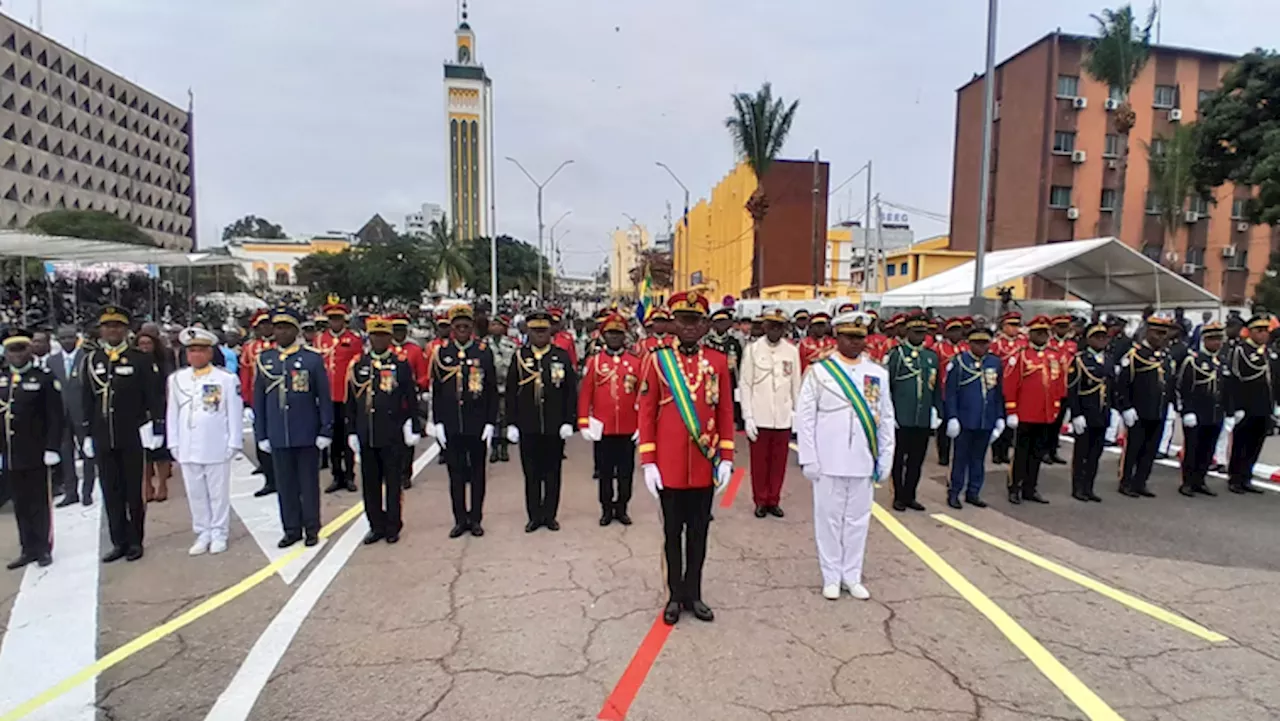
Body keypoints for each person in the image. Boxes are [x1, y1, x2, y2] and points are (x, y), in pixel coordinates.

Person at [638, 290, 734, 625]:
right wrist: (648, 460)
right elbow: (647, 413)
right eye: (683, 320)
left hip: (704, 465)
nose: (689, 327)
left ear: (706, 325)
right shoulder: (657, 360)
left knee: (699, 534)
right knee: (671, 534)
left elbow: (724, 412)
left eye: (695, 321)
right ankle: (674, 595)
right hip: (670, 466)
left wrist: (726, 457)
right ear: (673, 323)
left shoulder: (718, 362)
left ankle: (695, 593)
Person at [795, 311, 894, 600]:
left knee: (858, 521)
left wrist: (885, 456)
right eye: (849, 337)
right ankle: (831, 575)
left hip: (863, 459)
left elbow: (885, 418)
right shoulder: (820, 371)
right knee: (828, 519)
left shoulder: (877, 374)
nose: (855, 343)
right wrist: (809, 456)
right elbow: (806, 417)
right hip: (828, 458)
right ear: (837, 337)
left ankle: (852, 575)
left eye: (860, 338)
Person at [81, 305, 166, 563]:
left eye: (117, 326)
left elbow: (154, 395)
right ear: (101, 330)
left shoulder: (140, 359)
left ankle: (135, 541)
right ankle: (118, 541)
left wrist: (157, 426)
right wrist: (86, 433)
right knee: (110, 490)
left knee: (133, 491)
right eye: (107, 326)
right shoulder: (91, 360)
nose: (112, 330)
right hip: (103, 435)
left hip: (131, 433)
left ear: (126, 330)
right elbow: (87, 399)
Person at [253, 307, 333, 548]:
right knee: (285, 485)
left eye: (286, 328)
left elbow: (323, 397)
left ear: (296, 330)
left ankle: (311, 527)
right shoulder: (265, 359)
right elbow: (260, 399)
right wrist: (261, 433)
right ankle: (291, 529)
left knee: (308, 485)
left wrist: (325, 429)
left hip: (306, 431)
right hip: (278, 433)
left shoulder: (311, 358)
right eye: (278, 328)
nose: (281, 332)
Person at [166, 327, 242, 556]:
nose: (195, 355)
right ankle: (203, 532)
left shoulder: (225, 379)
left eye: (200, 350)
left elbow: (234, 411)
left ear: (210, 353)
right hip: (188, 445)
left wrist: (234, 442)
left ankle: (219, 532)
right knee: (195, 492)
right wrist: (173, 443)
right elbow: (173, 412)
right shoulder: (177, 379)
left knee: (218, 493)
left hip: (216, 443)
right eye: (191, 351)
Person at [347, 316, 421, 545]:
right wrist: (351, 431)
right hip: (367, 432)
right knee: (370, 484)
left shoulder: (400, 364)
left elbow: (410, 396)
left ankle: (392, 525)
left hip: (391, 432)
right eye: (375, 336)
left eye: (383, 336)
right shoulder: (358, 364)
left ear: (390, 338)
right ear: (369, 337)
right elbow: (351, 401)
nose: (379, 340)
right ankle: (375, 525)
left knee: (392, 482)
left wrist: (413, 424)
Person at [507, 309, 577, 532]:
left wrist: (569, 421)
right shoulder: (519, 356)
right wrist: (511, 423)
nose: (539, 335)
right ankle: (534, 515)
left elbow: (570, 392)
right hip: (528, 425)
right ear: (528, 331)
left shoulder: (561, 356)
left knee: (553, 473)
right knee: (531, 474)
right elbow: (510, 392)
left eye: (543, 331)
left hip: (554, 425)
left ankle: (550, 515)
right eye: (535, 331)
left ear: (551, 332)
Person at [431, 304, 498, 538]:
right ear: (451, 327)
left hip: (477, 423)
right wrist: (437, 421)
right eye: (457, 326)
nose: (461, 329)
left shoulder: (483, 351)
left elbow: (491, 390)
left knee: (478, 474)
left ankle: (476, 518)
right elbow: (437, 390)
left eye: (465, 326)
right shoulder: (441, 353)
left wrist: (491, 422)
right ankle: (460, 519)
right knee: (455, 474)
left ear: (472, 327)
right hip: (451, 424)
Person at [1, 327, 63, 569]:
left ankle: (43, 547)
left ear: (30, 350)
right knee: (20, 502)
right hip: (11, 452)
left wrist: (52, 447)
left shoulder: (44, 378)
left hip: (37, 451)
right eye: (11, 350)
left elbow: (56, 417)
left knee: (39, 501)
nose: (16, 354)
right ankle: (27, 547)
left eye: (21, 349)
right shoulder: (3, 379)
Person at [577, 311, 640, 526]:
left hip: (628, 426)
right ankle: (606, 508)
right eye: (610, 333)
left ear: (625, 336)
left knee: (626, 472)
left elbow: (643, 396)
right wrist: (584, 421)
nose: (614, 337)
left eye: (618, 333)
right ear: (603, 335)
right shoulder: (595, 362)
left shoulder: (635, 362)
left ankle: (622, 507)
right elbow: (586, 393)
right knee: (604, 472)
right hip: (602, 428)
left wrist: (642, 425)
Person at [739, 307, 801, 518]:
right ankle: (760, 500)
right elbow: (745, 384)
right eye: (771, 326)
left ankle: (774, 499)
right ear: (764, 326)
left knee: (778, 462)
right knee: (759, 463)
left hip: (783, 416)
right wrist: (747, 417)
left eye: (779, 327)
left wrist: (797, 412)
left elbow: (796, 384)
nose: (775, 330)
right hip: (760, 415)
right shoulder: (753, 350)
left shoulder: (791, 351)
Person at [1003, 315, 1066, 505]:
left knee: (1037, 453)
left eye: (1045, 333)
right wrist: (1011, 410)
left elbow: (1058, 384)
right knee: (1021, 453)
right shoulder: (1021, 355)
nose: (1042, 336)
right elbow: (1010, 384)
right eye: (1038, 333)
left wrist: (1056, 407)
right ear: (1030, 334)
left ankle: (1031, 488)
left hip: (1045, 414)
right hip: (1025, 413)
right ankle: (1015, 487)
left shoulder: (1053, 355)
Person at [885, 311, 943, 512]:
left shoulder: (931, 357)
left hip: (922, 417)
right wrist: (888, 413)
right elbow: (888, 386)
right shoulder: (897, 355)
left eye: (923, 333)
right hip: (902, 416)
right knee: (899, 458)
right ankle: (899, 495)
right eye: (916, 332)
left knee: (917, 460)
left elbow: (935, 388)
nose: (920, 337)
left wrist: (937, 411)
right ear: (907, 332)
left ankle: (911, 495)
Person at [943, 325, 1005, 509]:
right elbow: (951, 392)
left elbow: (998, 393)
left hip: (986, 419)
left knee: (978, 459)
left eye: (985, 343)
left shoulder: (994, 362)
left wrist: (1000, 416)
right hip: (965, 418)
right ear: (969, 344)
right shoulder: (959, 362)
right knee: (960, 458)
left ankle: (974, 492)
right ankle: (954, 492)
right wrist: (952, 416)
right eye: (977, 343)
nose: (981, 347)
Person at [1115, 315, 1175, 498]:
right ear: (1148, 332)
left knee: (1150, 449)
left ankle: (1141, 482)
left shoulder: (1165, 356)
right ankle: (1126, 481)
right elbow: (1122, 384)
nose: (1161, 337)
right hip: (1138, 410)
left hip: (1158, 410)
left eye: (1164, 334)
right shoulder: (1134, 355)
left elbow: (1168, 383)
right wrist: (1125, 407)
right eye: (1157, 333)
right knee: (1133, 448)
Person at [1223, 314, 1278, 494]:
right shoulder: (1241, 351)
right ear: (1250, 332)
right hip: (1247, 406)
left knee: (1256, 443)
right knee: (1242, 443)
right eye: (1259, 331)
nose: (1263, 335)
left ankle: (1247, 476)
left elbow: (1273, 381)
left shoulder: (1268, 352)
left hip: (1264, 405)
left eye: (1265, 331)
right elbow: (1235, 381)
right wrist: (1236, 407)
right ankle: (1235, 478)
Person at [313, 295, 362, 494]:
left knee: (347, 437)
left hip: (347, 396)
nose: (335, 322)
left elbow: (358, 368)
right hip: (327, 397)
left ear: (344, 319)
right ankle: (336, 475)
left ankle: (350, 475)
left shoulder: (353, 340)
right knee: (332, 439)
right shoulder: (320, 340)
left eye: (338, 318)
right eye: (331, 318)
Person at [1176, 321, 1225, 497]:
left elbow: (1225, 388)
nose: (1216, 343)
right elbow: (1183, 387)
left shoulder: (1221, 361)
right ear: (1204, 340)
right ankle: (1187, 482)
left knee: (1208, 449)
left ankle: (1200, 480)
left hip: (1215, 413)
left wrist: (1230, 411)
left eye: (1219, 339)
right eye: (1212, 339)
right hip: (1197, 413)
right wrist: (1186, 411)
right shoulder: (1193, 361)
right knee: (1193, 449)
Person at [1065, 323, 1111, 502]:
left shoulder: (1108, 359)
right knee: (1081, 454)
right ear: (1089, 339)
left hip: (1102, 414)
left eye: (1104, 337)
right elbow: (1073, 389)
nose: (1101, 340)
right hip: (1085, 413)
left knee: (1095, 454)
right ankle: (1078, 487)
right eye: (1097, 337)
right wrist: (1076, 414)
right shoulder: (1079, 360)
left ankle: (1089, 487)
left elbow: (1110, 386)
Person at [50, 324, 94, 507]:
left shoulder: (86, 358)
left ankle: (87, 492)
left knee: (88, 453)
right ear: (58, 341)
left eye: (70, 337)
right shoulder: (52, 362)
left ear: (77, 339)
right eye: (63, 338)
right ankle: (71, 492)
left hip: (82, 413)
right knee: (66, 455)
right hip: (61, 416)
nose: (67, 341)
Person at [135, 323, 176, 503]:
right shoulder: (132, 362)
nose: (144, 347)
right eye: (141, 344)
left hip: (161, 408)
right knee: (143, 453)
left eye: (148, 343)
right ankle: (146, 485)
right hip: (139, 411)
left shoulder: (163, 361)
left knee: (161, 451)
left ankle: (162, 485)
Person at [240, 309, 277, 497]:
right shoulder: (251, 347)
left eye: (268, 324)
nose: (265, 328)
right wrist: (247, 401)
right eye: (261, 325)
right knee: (261, 437)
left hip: (277, 398)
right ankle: (269, 478)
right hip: (258, 398)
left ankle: (279, 477)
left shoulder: (280, 345)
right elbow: (246, 375)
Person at [390, 313, 430, 488]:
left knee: (408, 441)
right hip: (389, 403)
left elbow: (423, 374)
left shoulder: (414, 350)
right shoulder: (387, 349)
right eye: (396, 330)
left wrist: (419, 386)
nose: (399, 333)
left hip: (407, 401)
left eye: (402, 330)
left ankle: (406, 474)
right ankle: (392, 472)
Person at [989, 312, 1026, 464]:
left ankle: (1005, 451)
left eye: (1017, 325)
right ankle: (996, 452)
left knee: (1012, 423)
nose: (1014, 329)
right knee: (999, 419)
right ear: (1004, 326)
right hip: (1000, 385)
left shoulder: (1023, 343)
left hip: (1017, 387)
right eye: (1011, 325)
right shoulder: (997, 344)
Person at [702, 308, 744, 429]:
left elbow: (740, 363)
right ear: (713, 324)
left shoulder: (733, 342)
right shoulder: (707, 342)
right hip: (712, 379)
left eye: (725, 322)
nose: (722, 325)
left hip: (730, 379)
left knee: (728, 406)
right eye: (719, 322)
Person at [934, 318, 966, 467]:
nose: (956, 334)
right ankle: (943, 454)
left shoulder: (965, 348)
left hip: (962, 393)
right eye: (953, 331)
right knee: (944, 427)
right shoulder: (939, 348)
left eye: (958, 331)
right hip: (943, 390)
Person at [486, 314, 517, 463]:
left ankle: (504, 448)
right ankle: (494, 448)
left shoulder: (511, 344)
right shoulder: (484, 344)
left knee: (505, 417)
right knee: (492, 417)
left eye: (498, 325)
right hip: (489, 387)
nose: (495, 327)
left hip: (506, 386)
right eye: (493, 325)